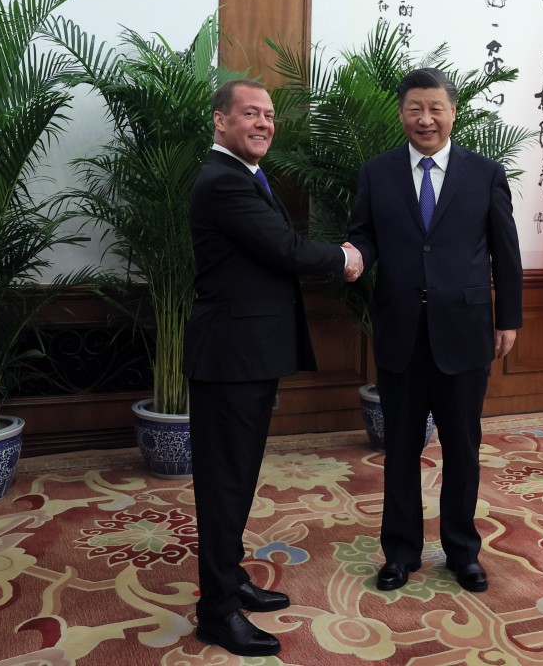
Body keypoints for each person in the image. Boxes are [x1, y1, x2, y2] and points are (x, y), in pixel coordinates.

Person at [183, 78, 363, 657]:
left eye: (268, 116)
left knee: (238, 476)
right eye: (250, 113)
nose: (263, 123)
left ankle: (229, 578)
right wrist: (343, 258)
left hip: (248, 356)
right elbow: (284, 248)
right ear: (220, 121)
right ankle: (215, 611)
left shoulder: (245, 176)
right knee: (224, 483)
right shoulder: (223, 183)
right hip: (229, 358)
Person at [347, 68, 523, 594]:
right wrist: (354, 256)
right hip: (401, 329)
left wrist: (508, 317)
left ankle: (462, 552)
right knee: (400, 448)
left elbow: (505, 251)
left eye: (436, 108)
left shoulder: (484, 173)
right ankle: (400, 553)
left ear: (452, 112)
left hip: (465, 331)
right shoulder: (377, 173)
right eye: (415, 109)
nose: (426, 118)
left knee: (462, 448)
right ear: (400, 113)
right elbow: (364, 234)